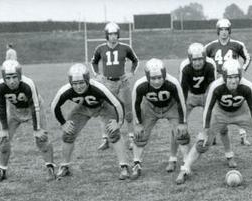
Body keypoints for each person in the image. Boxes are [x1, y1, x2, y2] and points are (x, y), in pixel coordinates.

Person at [175, 59, 252, 184]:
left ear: (240, 75)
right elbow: (208, 109)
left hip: (241, 112)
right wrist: (205, 130)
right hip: (220, 113)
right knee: (202, 142)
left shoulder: (248, 86)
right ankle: (185, 168)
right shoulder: (216, 86)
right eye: (230, 77)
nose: (233, 80)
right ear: (224, 77)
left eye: (236, 77)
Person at [51, 63, 130, 180]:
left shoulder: (98, 88)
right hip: (83, 108)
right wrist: (63, 123)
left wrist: (118, 123)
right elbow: (54, 106)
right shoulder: (65, 90)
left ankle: (124, 166)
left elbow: (118, 104)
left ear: (87, 80)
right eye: (75, 84)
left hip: (104, 106)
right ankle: (64, 167)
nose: (78, 87)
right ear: (70, 83)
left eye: (81, 83)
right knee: (68, 133)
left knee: (113, 132)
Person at [0, 60, 55, 184]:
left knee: (41, 138)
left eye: (14, 77)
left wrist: (37, 129)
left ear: (20, 75)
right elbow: (0, 106)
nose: (12, 81)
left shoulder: (28, 84)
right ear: (3, 77)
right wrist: (4, 128)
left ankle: (50, 168)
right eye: (8, 78)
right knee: (4, 139)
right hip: (14, 110)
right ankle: (2, 171)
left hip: (34, 109)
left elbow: (35, 105)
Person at [130, 58, 190, 179]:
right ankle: (136, 164)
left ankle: (186, 164)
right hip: (150, 108)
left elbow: (181, 102)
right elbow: (135, 104)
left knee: (181, 133)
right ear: (147, 77)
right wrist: (138, 123)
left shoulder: (172, 82)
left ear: (164, 75)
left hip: (171, 106)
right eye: (153, 78)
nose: (157, 81)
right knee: (140, 135)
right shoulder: (140, 85)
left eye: (159, 77)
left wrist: (182, 122)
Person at [91, 22, 139, 151]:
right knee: (105, 111)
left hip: (123, 82)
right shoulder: (100, 48)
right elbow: (94, 62)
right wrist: (97, 74)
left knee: (128, 111)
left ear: (118, 35)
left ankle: (131, 139)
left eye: (115, 34)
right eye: (110, 34)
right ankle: (105, 139)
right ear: (107, 35)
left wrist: (131, 73)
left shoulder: (125, 48)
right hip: (107, 83)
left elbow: (135, 60)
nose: (113, 36)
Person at [205, 18, 251, 146]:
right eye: (221, 30)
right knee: (214, 106)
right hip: (217, 78)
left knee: (239, 104)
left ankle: (243, 135)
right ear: (217, 31)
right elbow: (204, 61)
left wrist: (242, 69)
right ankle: (212, 134)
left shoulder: (237, 44)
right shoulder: (210, 46)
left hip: (233, 78)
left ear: (229, 31)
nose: (224, 32)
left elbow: (247, 57)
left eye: (226, 29)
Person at [178, 43, 217, 170]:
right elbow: (182, 92)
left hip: (206, 94)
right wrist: (181, 119)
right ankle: (174, 158)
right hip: (190, 95)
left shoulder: (210, 65)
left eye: (200, 59)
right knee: (178, 124)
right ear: (190, 59)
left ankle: (228, 153)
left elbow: (213, 88)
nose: (198, 62)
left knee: (216, 119)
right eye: (194, 59)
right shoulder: (185, 67)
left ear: (204, 58)